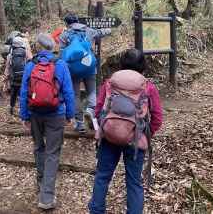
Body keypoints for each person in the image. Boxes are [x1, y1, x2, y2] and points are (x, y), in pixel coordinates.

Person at [88, 49, 163, 214]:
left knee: (102, 177)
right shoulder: (148, 87)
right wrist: (144, 133)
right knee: (134, 182)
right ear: (143, 66)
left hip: (109, 137)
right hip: (136, 140)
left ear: (121, 64)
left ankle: (96, 211)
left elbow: (98, 110)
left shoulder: (109, 83)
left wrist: (107, 128)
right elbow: (157, 117)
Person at [19, 33, 75, 210]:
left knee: (38, 147)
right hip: (56, 113)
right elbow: (68, 92)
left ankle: (41, 181)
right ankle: (46, 197)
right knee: (52, 153)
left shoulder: (30, 65)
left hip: (35, 113)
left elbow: (23, 92)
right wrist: (69, 114)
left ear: (38, 47)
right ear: (52, 47)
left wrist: (24, 116)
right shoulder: (61, 65)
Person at [59, 13, 111, 133]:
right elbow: (102, 32)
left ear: (67, 23)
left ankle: (80, 124)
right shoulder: (88, 30)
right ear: (77, 20)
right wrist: (109, 29)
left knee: (75, 95)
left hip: (73, 70)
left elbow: (62, 55)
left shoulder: (64, 35)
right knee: (92, 91)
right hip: (89, 67)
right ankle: (91, 110)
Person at [4, 36, 31, 115]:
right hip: (23, 77)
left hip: (14, 78)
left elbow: (7, 67)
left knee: (13, 93)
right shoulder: (25, 52)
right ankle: (23, 110)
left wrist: (6, 77)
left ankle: (12, 107)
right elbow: (30, 61)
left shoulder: (10, 55)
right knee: (23, 93)